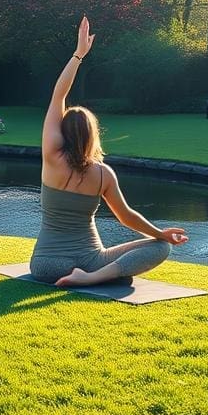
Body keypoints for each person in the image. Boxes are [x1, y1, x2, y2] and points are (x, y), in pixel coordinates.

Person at [30, 16, 188, 287]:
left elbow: (58, 95)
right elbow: (126, 216)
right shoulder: (103, 174)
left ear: (63, 132)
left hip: (45, 265)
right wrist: (161, 234)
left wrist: (79, 55)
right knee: (161, 248)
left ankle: (86, 278)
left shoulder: (52, 158)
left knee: (160, 244)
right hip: (91, 260)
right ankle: (92, 278)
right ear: (93, 134)